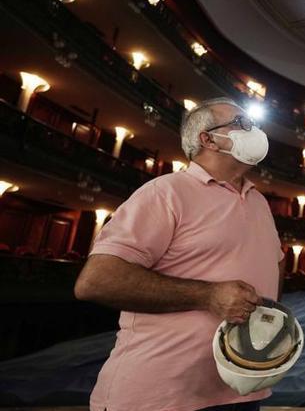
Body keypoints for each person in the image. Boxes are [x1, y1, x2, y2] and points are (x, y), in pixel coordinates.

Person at [74, 97, 285, 411]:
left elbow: (275, 264)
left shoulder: (259, 202)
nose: (254, 131)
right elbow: (97, 280)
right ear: (207, 139)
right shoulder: (165, 192)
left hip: (242, 388)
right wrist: (208, 295)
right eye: (242, 124)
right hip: (163, 394)